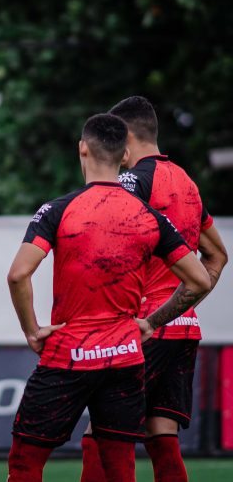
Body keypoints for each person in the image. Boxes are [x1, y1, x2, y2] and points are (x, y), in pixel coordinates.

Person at [6, 113, 211, 482]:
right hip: (125, 356)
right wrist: (150, 322)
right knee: (121, 466)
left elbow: (19, 274)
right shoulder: (150, 217)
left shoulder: (58, 209)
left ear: (82, 148)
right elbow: (199, 279)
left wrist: (32, 329)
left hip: (69, 354)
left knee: (26, 461)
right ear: (123, 154)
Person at [79, 97, 228, 482]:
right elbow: (217, 256)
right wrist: (184, 303)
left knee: (102, 433)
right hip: (183, 329)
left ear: (125, 137)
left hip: (142, 329)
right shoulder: (188, 183)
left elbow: (102, 237)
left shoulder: (133, 180)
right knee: (161, 436)